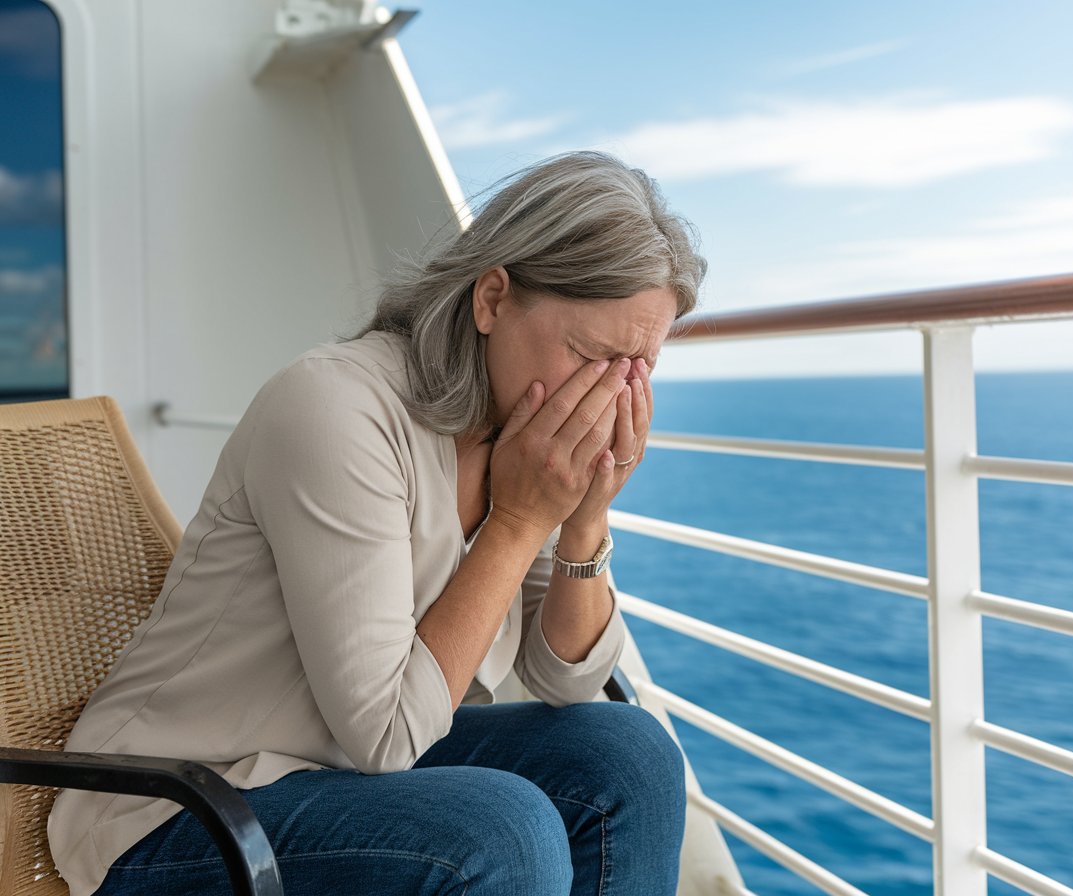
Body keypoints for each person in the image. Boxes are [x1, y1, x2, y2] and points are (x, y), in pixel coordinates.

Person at [48, 151, 707, 896]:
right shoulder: (336, 407)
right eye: (591, 355)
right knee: (499, 829)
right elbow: (388, 733)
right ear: (492, 299)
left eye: (637, 368)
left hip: (343, 772)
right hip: (179, 807)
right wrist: (521, 520)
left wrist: (586, 516)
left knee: (627, 755)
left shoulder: (523, 435)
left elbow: (569, 680)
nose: (608, 394)